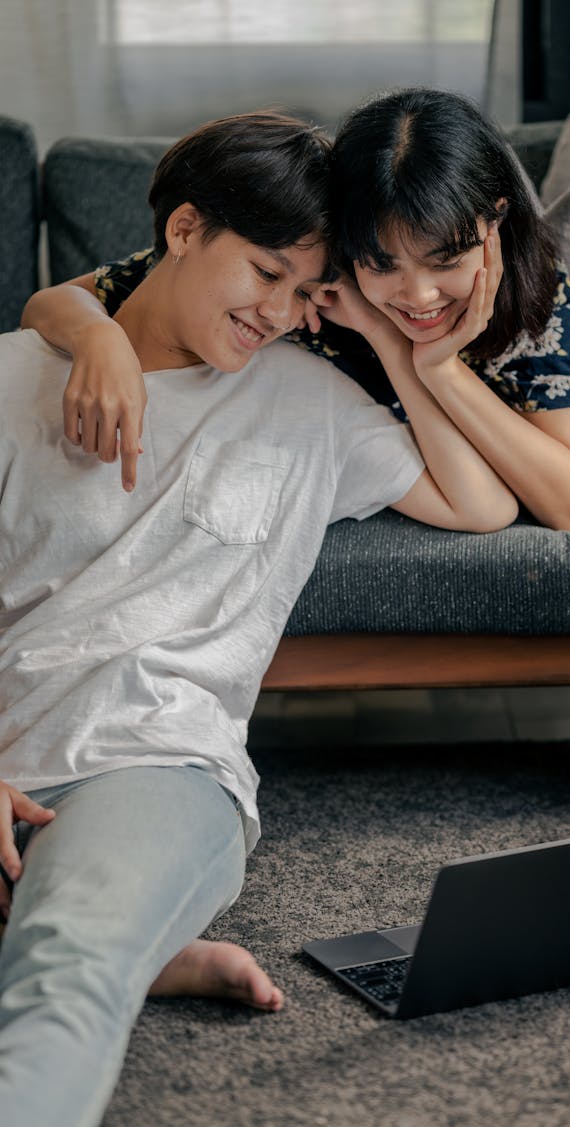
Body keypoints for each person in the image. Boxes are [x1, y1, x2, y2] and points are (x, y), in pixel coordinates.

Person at [0, 110, 517, 1127]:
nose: (280, 311)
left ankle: (101, 933)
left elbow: (481, 505)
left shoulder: (305, 402)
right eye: (265, 273)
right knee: (71, 936)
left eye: (305, 289)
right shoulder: (18, 374)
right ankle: (136, 939)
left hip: (148, 760)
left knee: (67, 971)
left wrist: (396, 341)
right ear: (184, 230)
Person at [22, 88, 570, 531]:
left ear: (495, 219)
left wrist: (435, 366)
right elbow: (54, 302)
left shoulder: (531, 293)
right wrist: (98, 338)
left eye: (446, 261)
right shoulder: (311, 280)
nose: (420, 297)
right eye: (384, 264)